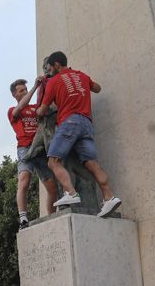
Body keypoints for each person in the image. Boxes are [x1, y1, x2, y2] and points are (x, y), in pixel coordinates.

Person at [37, 51, 122, 218]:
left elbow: (43, 109)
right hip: (86, 123)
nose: (49, 70)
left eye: (49, 67)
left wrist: (39, 110)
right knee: (91, 163)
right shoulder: (81, 75)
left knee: (53, 162)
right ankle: (109, 196)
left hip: (69, 123)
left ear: (56, 65)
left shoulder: (54, 81)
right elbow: (97, 88)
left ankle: (71, 192)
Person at [9, 77, 58, 229]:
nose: (24, 92)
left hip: (40, 149)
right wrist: (35, 87)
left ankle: (52, 216)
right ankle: (23, 218)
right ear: (14, 95)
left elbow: (46, 106)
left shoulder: (34, 108)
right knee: (24, 180)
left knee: (52, 188)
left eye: (25, 89)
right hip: (25, 149)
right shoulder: (12, 111)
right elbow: (20, 107)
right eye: (21, 90)